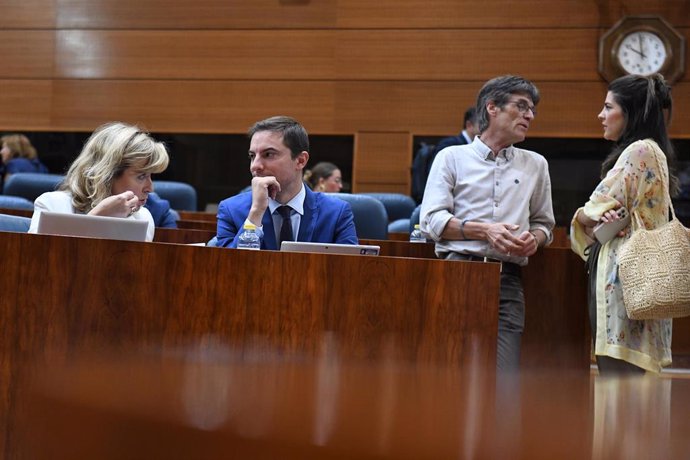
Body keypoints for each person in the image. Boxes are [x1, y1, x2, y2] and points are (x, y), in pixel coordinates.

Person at [420, 75, 555, 371]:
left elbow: (545, 225)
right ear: (492, 108)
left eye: (531, 109)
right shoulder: (451, 157)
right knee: (450, 372)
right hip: (456, 271)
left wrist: (535, 238)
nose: (529, 115)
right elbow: (431, 220)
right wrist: (484, 230)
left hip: (507, 279)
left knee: (504, 380)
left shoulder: (536, 164)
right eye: (521, 107)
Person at [570, 74, 678, 374]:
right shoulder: (654, 150)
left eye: (608, 107)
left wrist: (581, 216)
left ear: (629, 112)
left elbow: (596, 207)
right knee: (633, 383)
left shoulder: (638, 150)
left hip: (624, 277)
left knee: (619, 378)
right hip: (643, 275)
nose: (601, 115)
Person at [216, 116, 358, 249]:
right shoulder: (231, 210)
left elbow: (349, 271)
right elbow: (229, 269)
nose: (255, 166)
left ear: (300, 160)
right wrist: (255, 214)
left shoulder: (336, 213)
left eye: (268, 154)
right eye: (252, 156)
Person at [28, 122, 169, 242]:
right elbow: (39, 263)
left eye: (150, 176)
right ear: (107, 175)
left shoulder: (142, 218)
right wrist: (98, 218)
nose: (150, 188)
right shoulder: (52, 205)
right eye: (141, 176)